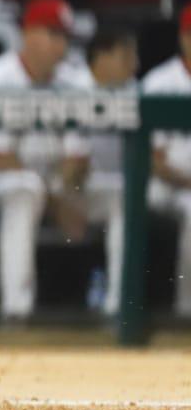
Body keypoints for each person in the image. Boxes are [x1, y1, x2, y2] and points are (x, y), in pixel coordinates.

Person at [0, 0, 91, 320]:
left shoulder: (73, 81)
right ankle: (18, 311)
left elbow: (77, 157)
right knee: (25, 188)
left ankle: (120, 310)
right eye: (53, 35)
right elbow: (0, 157)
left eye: (65, 37)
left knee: (112, 195)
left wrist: (66, 193)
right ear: (28, 34)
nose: (61, 46)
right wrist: (57, 200)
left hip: (48, 186)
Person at [64, 23, 138, 317]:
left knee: (123, 196)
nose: (134, 64)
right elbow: (70, 168)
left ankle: (118, 303)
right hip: (72, 188)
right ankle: (116, 302)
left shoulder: (135, 90)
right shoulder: (74, 88)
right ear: (101, 57)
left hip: (111, 188)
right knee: (121, 196)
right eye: (126, 56)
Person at [142, 6, 191, 317]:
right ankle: (187, 309)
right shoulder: (160, 81)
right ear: (185, 38)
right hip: (163, 187)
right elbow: (151, 159)